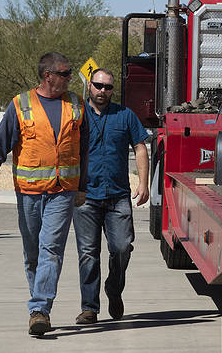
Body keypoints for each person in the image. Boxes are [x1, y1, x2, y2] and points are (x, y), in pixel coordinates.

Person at [0, 52, 88, 337]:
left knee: (51, 249)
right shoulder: (21, 104)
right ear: (47, 75)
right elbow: (0, 143)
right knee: (33, 255)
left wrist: (83, 185)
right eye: (64, 73)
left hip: (63, 190)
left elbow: (84, 149)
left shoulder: (76, 103)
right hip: (28, 192)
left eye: (70, 73)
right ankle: (38, 304)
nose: (69, 78)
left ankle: (40, 309)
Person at [73, 68, 150, 325]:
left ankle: (114, 289)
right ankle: (89, 308)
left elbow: (140, 147)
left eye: (107, 87)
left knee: (121, 248)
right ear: (90, 86)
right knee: (87, 253)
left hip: (117, 195)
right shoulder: (77, 115)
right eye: (98, 85)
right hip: (85, 196)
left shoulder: (125, 115)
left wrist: (144, 183)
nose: (102, 91)